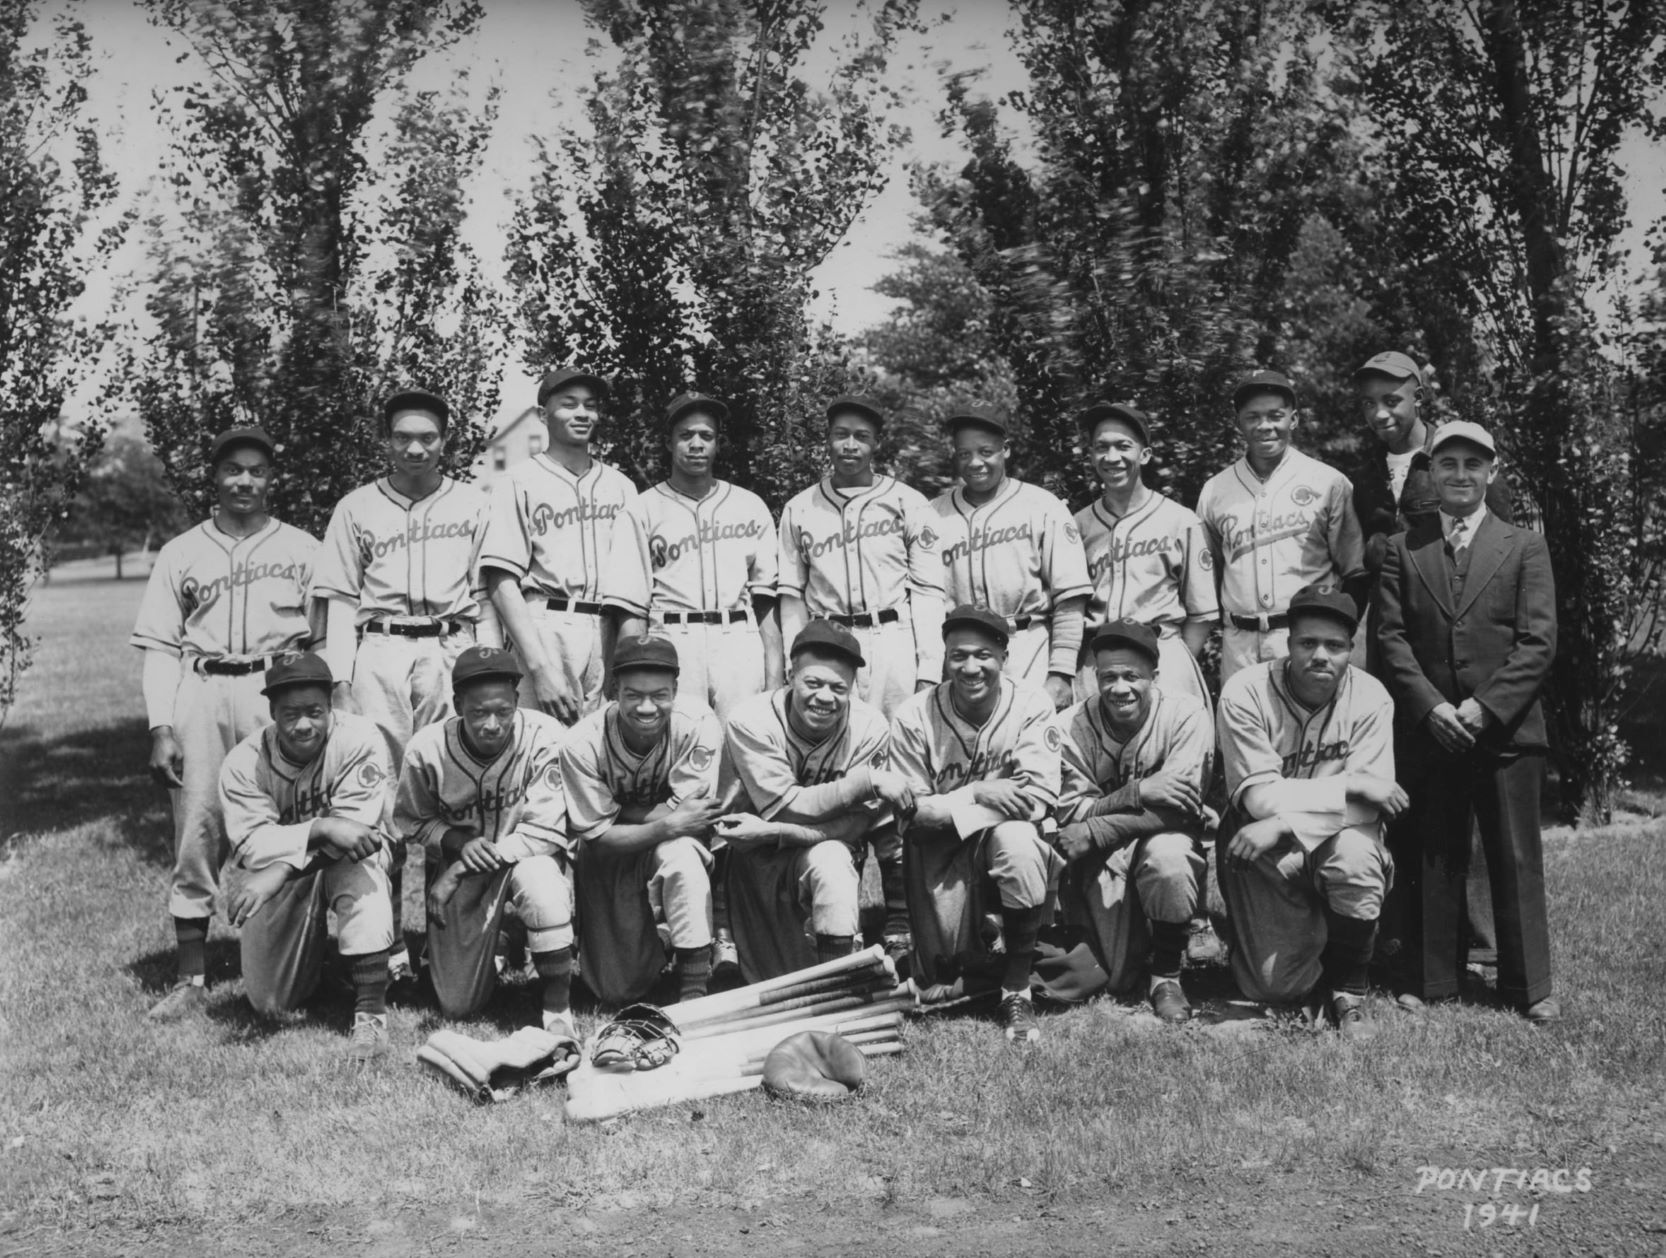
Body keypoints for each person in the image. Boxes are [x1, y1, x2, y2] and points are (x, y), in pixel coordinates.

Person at [131, 424, 318, 1021]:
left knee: (291, 820)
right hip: (204, 687)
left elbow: (328, 640)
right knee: (199, 824)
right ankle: (191, 978)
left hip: (279, 691)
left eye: (256, 470)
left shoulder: (304, 549)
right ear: (214, 476)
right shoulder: (182, 551)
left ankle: (301, 958)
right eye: (232, 468)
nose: (244, 480)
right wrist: (162, 725)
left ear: (272, 478)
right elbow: (160, 646)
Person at [1375, 421, 1559, 1024]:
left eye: (1471, 465)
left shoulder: (1524, 545)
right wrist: (1430, 707)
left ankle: (1528, 986)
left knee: (1513, 856)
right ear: (1431, 473)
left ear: (1492, 471)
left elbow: (1537, 643)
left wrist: (1484, 708)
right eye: (1447, 464)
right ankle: (1434, 979)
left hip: (1505, 730)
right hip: (1432, 728)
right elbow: (1391, 638)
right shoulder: (1406, 545)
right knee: (1435, 850)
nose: (1459, 475)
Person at [310, 388, 493, 988]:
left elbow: (486, 593)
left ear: (447, 440)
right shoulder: (356, 507)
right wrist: (338, 683)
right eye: (403, 437)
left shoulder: (472, 503)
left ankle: (448, 938)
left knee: (451, 788)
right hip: (382, 647)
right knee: (380, 798)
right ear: (384, 441)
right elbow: (337, 600)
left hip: (450, 644)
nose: (415, 448)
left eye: (428, 437)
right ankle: (384, 943)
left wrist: (484, 664)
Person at [1350, 351, 1509, 973]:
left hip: (1452, 652)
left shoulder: (1450, 459)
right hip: (1389, 647)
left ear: (1420, 394)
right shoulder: (1361, 476)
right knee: (1403, 788)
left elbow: (1497, 551)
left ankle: (1481, 940)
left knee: (1460, 794)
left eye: (1393, 399)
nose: (1382, 413)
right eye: (1369, 403)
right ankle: (1407, 933)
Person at [777, 394, 944, 961]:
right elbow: (791, 596)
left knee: (896, 772)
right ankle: (834, 904)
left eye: (862, 437)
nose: (850, 445)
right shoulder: (800, 508)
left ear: (878, 444)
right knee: (836, 766)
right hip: (828, 644)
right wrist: (794, 663)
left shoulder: (907, 502)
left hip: (890, 636)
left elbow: (928, 591)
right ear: (826, 439)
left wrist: (927, 670)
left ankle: (899, 913)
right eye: (840, 434)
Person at [1215, 584, 1406, 1037]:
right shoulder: (1245, 691)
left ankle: (1349, 990)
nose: (1321, 655)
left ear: (1350, 649)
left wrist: (1284, 820)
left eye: (1335, 646)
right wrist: (1353, 783)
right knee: (1273, 986)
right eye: (1308, 643)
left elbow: (1370, 809)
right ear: (1288, 644)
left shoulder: (1372, 696)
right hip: (1259, 849)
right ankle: (1336, 939)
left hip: (1322, 835)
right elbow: (1258, 799)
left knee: (1357, 858)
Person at [888, 605, 1063, 1044]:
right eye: (958, 656)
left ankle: (1016, 989)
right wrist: (978, 793)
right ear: (944, 659)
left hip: (998, 836)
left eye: (983, 655)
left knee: (1018, 841)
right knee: (942, 974)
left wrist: (947, 806)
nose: (970, 667)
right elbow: (912, 818)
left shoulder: (1031, 703)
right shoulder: (914, 714)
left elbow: (1037, 800)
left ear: (1004, 657)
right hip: (937, 852)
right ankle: (991, 948)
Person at [218, 653, 396, 1061]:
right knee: (271, 1002)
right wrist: (321, 827)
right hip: (285, 871)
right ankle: (328, 966)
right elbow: (252, 844)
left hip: (345, 857)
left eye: (314, 712)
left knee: (359, 864)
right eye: (290, 714)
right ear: (272, 712)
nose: (303, 725)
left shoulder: (360, 737)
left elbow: (355, 833)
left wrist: (281, 868)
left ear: (330, 705)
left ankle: (370, 1014)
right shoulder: (244, 763)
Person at [717, 620, 916, 981]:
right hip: (753, 860)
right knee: (771, 977)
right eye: (813, 683)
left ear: (853, 688)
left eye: (838, 688)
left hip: (810, 846)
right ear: (791, 675)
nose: (825, 697)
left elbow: (858, 825)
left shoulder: (870, 727)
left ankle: (837, 986)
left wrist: (773, 831)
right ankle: (722, 933)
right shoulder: (751, 720)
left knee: (834, 859)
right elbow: (788, 806)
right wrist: (864, 782)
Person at [394, 647, 576, 1034]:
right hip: (471, 872)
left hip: (525, 859)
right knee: (458, 1006)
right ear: (457, 704)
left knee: (543, 884)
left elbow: (544, 833)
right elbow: (411, 819)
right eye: (478, 712)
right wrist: (450, 840)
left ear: (516, 700)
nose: (492, 724)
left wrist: (457, 867)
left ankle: (557, 1009)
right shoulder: (426, 749)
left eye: (503, 711)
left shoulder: (546, 736)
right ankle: (500, 942)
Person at [1056, 620, 1212, 1024]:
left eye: (1132, 676)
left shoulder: (1185, 714)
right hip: (1099, 858)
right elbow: (1069, 819)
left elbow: (1182, 808)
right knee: (1115, 975)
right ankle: (1140, 947)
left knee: (1169, 858)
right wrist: (1137, 792)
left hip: (1163, 835)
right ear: (1093, 677)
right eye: (1108, 677)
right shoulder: (1069, 726)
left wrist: (1098, 826)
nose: (1119, 688)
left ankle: (1167, 974)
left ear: (1154, 677)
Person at [559, 634, 723, 1007]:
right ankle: (660, 940)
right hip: (610, 855)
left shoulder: (696, 721)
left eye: (659, 695)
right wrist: (666, 822)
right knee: (615, 990)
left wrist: (618, 809)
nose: (647, 707)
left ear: (675, 690)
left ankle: (693, 991)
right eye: (634, 695)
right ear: (614, 690)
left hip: (663, 844)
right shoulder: (582, 742)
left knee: (683, 855)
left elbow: (695, 817)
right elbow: (599, 838)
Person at [601, 392, 782, 720]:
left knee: (742, 750)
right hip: (672, 636)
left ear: (717, 443)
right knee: (676, 745)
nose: (696, 444)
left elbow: (766, 604)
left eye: (706, 436)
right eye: (685, 435)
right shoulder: (641, 509)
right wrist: (631, 672)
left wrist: (773, 677)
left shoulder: (749, 505)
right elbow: (630, 608)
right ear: (669, 443)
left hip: (738, 638)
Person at [479, 368, 635, 724]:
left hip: (605, 627)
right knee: (542, 746)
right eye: (569, 404)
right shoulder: (518, 481)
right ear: (543, 415)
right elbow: (501, 583)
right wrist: (539, 668)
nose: (582, 414)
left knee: (599, 751)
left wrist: (622, 660)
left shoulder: (621, 486)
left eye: (590, 406)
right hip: (545, 623)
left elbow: (633, 588)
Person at [1196, 370, 1367, 681]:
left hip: (1308, 639)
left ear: (1294, 419)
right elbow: (1211, 575)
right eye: (1253, 417)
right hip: (1240, 644)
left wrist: (1338, 635)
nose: (1265, 426)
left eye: (1275, 415)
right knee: (1243, 727)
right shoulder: (1215, 491)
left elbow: (1354, 571)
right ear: (1239, 423)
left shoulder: (1328, 482)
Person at [928, 407, 1090, 709]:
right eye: (964, 454)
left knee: (1031, 748)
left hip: (1027, 646)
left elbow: (1070, 598)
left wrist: (1061, 672)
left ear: (1006, 449)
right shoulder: (933, 514)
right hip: (963, 656)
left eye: (986, 451)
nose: (975, 462)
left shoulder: (1042, 506)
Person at [1072, 402, 1217, 712]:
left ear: (1145, 454)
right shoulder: (1078, 524)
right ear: (1091, 456)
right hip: (1096, 661)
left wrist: (1174, 663)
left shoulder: (1180, 520)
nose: (1112, 458)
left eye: (1123, 446)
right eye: (1102, 447)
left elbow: (1202, 613)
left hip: (1162, 654)